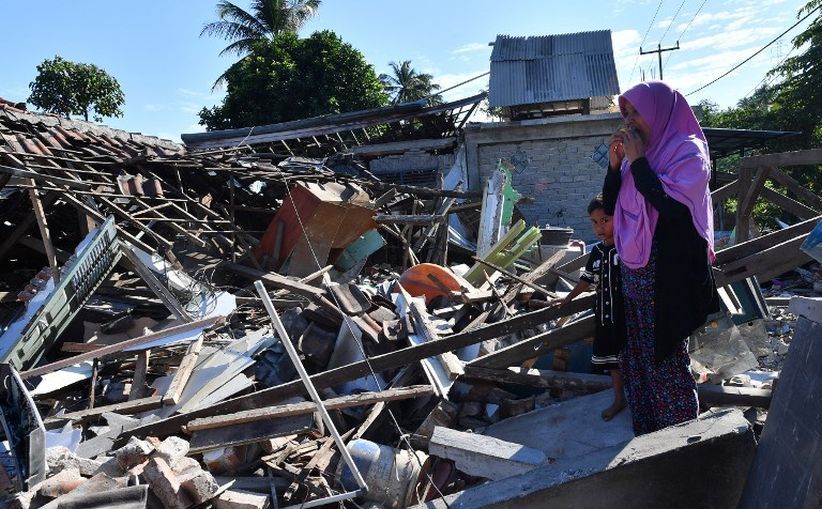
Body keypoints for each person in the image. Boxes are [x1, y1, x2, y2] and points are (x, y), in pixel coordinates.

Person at [603, 80, 720, 435]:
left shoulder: (687, 153)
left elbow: (670, 207)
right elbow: (610, 207)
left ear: (658, 110)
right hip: (636, 271)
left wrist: (638, 163)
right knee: (637, 356)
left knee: (666, 356)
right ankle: (650, 433)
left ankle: (680, 438)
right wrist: (614, 165)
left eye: (636, 111)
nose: (631, 120)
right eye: (626, 113)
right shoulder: (639, 156)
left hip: (669, 274)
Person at [556, 195, 626, 421]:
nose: (599, 227)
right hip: (605, 317)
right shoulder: (596, 252)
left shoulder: (628, 247)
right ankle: (619, 399)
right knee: (613, 362)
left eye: (605, 220)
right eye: (594, 222)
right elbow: (586, 281)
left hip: (626, 317)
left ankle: (643, 398)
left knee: (631, 357)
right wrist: (568, 299)